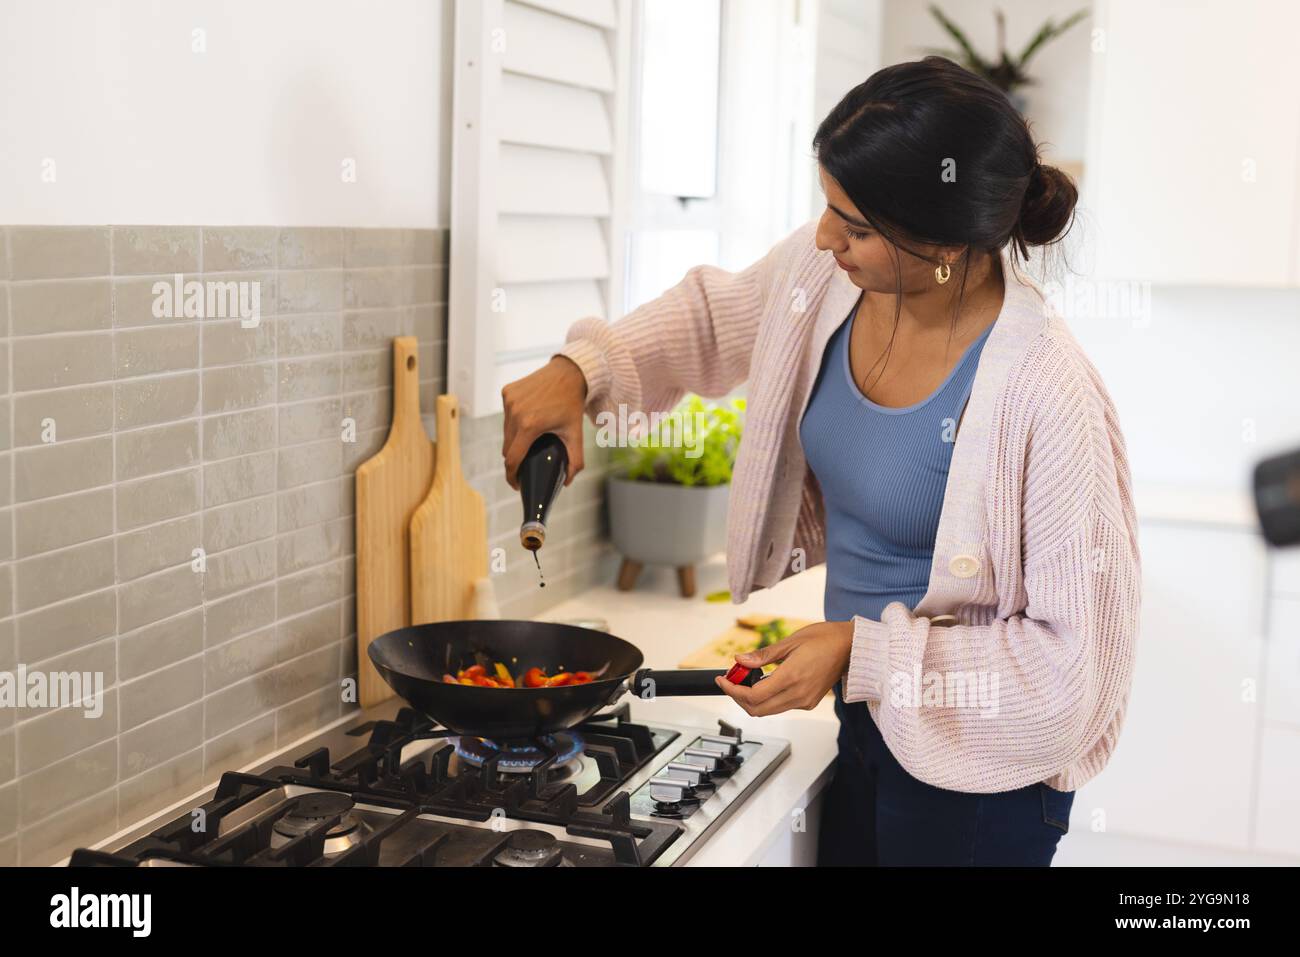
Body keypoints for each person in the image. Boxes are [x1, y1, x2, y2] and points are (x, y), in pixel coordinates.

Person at [500, 57, 1140, 866]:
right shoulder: (825, 278)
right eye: (828, 207)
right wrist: (580, 370)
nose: (826, 236)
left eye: (858, 226)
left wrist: (858, 648)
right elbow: (709, 319)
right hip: (868, 718)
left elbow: (1066, 680)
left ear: (944, 246)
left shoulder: (1047, 394)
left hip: (983, 779)